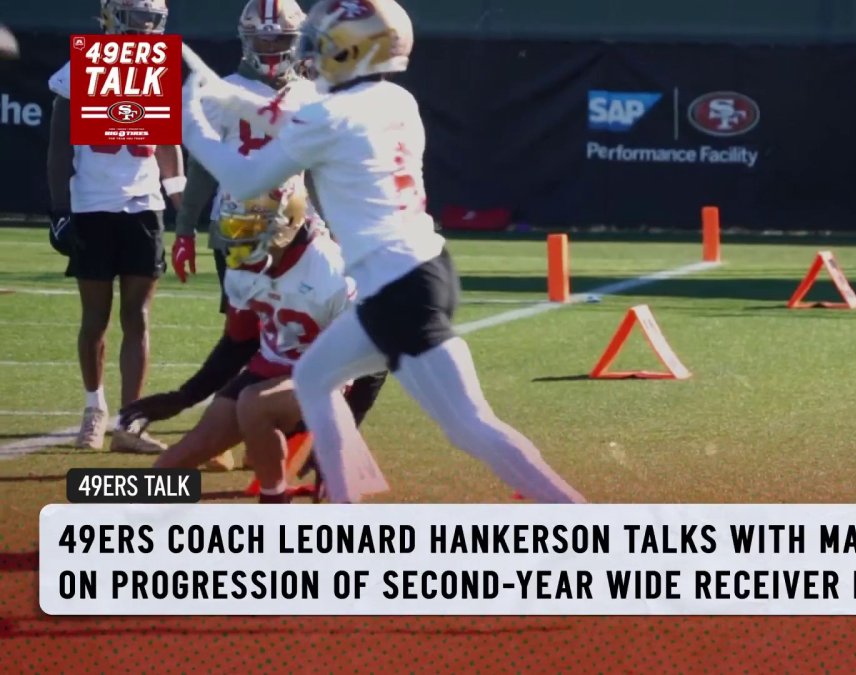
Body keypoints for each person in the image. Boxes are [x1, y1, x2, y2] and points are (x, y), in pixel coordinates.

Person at [178, 0, 585, 504]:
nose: (314, 55)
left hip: (397, 284)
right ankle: (343, 507)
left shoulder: (330, 114)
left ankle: (579, 517)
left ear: (355, 50)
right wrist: (226, 101)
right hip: (417, 271)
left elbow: (244, 177)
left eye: (326, 44)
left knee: (471, 426)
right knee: (313, 377)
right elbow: (287, 118)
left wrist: (190, 120)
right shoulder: (395, 100)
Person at [122, 178, 375, 502]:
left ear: (289, 223)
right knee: (173, 464)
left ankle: (273, 502)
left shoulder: (329, 271)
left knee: (254, 402)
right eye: (240, 226)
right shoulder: (244, 264)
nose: (245, 239)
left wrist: (337, 440)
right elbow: (238, 343)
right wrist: (183, 397)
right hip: (271, 369)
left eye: (255, 227)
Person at [46, 0, 185, 453]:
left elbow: (167, 144)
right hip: (92, 205)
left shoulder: (156, 69)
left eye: (152, 21)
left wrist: (180, 201)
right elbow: (59, 148)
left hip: (144, 205)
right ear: (113, 17)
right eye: (138, 19)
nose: (145, 30)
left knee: (137, 317)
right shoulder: (82, 67)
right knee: (95, 318)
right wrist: (60, 208)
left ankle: (130, 422)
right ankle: (94, 408)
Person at [172, 0, 306, 310]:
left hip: (298, 226)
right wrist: (185, 229)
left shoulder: (309, 93)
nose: (271, 47)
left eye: (280, 38)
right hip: (237, 225)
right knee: (245, 329)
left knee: (296, 327)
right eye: (263, 38)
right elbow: (203, 168)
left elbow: (318, 174)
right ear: (247, 39)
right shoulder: (222, 91)